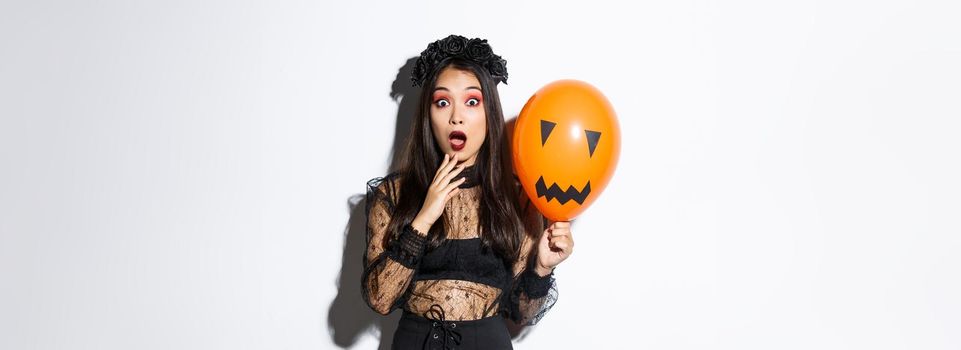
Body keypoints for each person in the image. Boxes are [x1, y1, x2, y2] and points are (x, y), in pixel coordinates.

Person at [362, 35, 574, 350]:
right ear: (428, 114)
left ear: (489, 113)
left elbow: (521, 313)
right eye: (443, 102)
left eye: (472, 101)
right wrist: (423, 219)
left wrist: (542, 268)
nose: (456, 116)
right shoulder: (394, 193)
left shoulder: (515, 196)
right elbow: (379, 298)